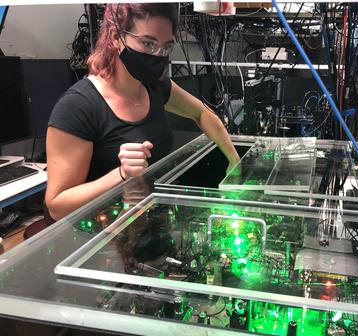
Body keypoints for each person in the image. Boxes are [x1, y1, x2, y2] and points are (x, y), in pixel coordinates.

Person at [45, 3, 240, 221]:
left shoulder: (154, 85)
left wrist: (234, 161)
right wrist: (121, 174)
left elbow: (202, 114)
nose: (158, 55)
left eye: (166, 47)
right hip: (101, 240)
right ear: (115, 37)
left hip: (148, 228)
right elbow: (57, 205)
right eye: (148, 43)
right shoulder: (78, 107)